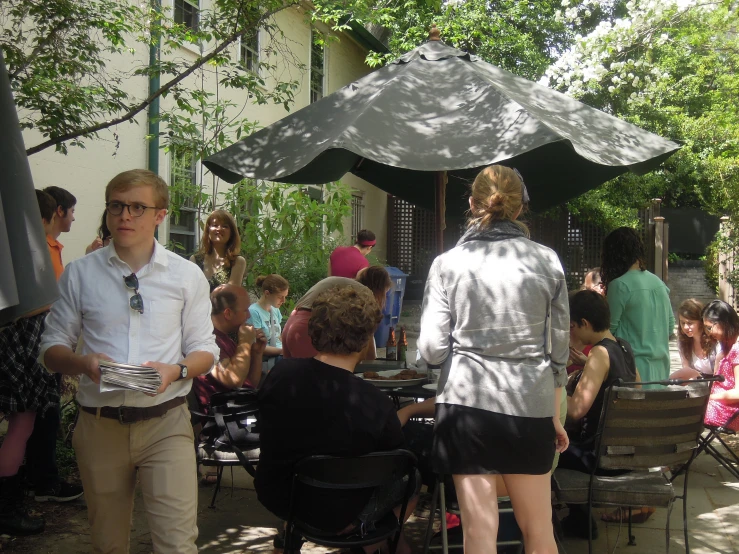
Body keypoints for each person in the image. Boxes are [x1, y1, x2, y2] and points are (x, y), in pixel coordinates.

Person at [39, 169, 219, 554]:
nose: (125, 216)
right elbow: (51, 349)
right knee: (108, 543)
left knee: (177, 544)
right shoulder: (79, 274)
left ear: (160, 215)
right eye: (117, 206)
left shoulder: (186, 276)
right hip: (100, 424)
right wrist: (83, 363)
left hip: (165, 421)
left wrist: (177, 370)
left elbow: (205, 348)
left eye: (138, 207)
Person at [418, 164, 569, 554]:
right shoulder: (548, 261)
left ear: (472, 203)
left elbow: (432, 349)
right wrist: (553, 414)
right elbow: (558, 353)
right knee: (539, 529)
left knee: (479, 533)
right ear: (519, 209)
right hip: (530, 406)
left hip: (466, 406)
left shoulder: (446, 264)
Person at [255, 286, 419, 554]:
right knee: (413, 478)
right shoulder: (375, 402)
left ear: (315, 328)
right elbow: (394, 460)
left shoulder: (281, 375)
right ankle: (366, 534)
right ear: (367, 338)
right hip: (341, 512)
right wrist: (409, 412)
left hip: (282, 497)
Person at [0, 194, 62, 536]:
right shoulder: (29, 248)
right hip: (21, 341)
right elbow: (31, 304)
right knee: (21, 427)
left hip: (16, 340)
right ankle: (7, 510)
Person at [559, 290, 640, 536]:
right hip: (626, 454)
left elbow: (575, 410)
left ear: (584, 323)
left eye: (571, 326)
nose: (570, 332)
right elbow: (635, 391)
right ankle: (579, 519)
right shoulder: (623, 348)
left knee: (548, 447)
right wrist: (590, 368)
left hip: (598, 458)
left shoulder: (599, 353)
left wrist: (553, 388)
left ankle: (578, 520)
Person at [600, 227, 675, 387]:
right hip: (661, 370)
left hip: (632, 372)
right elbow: (669, 328)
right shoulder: (659, 283)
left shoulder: (619, 285)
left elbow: (607, 332)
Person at [281, 266, 391, 359]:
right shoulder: (365, 293)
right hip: (306, 329)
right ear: (379, 287)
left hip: (291, 324)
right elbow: (368, 334)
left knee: (293, 377)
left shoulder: (345, 284)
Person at [192, 284, 267, 411]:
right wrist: (244, 343)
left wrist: (257, 353)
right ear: (228, 313)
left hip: (244, 410)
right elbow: (234, 381)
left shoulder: (226, 338)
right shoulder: (205, 340)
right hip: (226, 420)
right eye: (245, 310)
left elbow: (250, 384)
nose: (249, 315)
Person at [702, 300, 739, 432]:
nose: (708, 332)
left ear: (723, 323)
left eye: (709, 327)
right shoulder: (725, 345)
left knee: (686, 410)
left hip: (732, 413)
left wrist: (707, 399)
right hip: (720, 407)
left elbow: (738, 393)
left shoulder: (737, 349)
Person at [190, 210, 246, 291]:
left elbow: (231, 294)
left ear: (231, 233)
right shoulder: (195, 260)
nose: (219, 229)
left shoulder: (237, 261)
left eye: (225, 226)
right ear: (208, 230)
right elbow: (190, 291)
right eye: (215, 225)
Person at [669, 299, 719, 380]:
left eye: (690, 323)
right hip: (698, 386)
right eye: (682, 323)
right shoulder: (682, 342)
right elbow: (686, 371)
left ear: (701, 322)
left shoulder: (715, 341)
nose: (685, 327)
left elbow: (720, 374)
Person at [248, 274, 288, 373]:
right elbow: (255, 346)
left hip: (281, 354)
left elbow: (279, 337)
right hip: (268, 360)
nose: (283, 301)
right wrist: (283, 351)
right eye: (280, 297)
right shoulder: (253, 312)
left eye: (285, 297)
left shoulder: (275, 310)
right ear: (267, 293)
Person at [42, 186, 76, 280]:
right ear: (60, 210)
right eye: (72, 211)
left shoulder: (53, 247)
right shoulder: (43, 249)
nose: (73, 218)